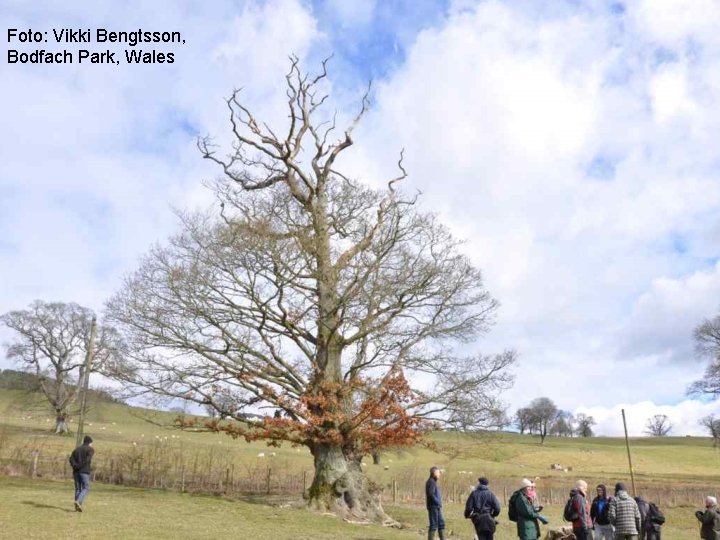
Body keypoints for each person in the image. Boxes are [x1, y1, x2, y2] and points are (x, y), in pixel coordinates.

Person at [69, 435, 94, 512]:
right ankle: (78, 501)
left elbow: (71, 459)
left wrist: (75, 466)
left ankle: (77, 507)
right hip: (84, 471)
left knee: (78, 489)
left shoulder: (76, 449)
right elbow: (87, 460)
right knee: (86, 488)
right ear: (89, 442)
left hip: (76, 471)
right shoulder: (90, 449)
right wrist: (80, 466)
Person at [425, 466, 446, 540]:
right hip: (433, 506)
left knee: (441, 524)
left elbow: (437, 472)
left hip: (437, 506)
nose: (439, 475)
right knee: (433, 525)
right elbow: (431, 494)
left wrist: (440, 471)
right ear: (433, 473)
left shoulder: (433, 481)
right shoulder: (431, 482)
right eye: (438, 473)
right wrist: (437, 502)